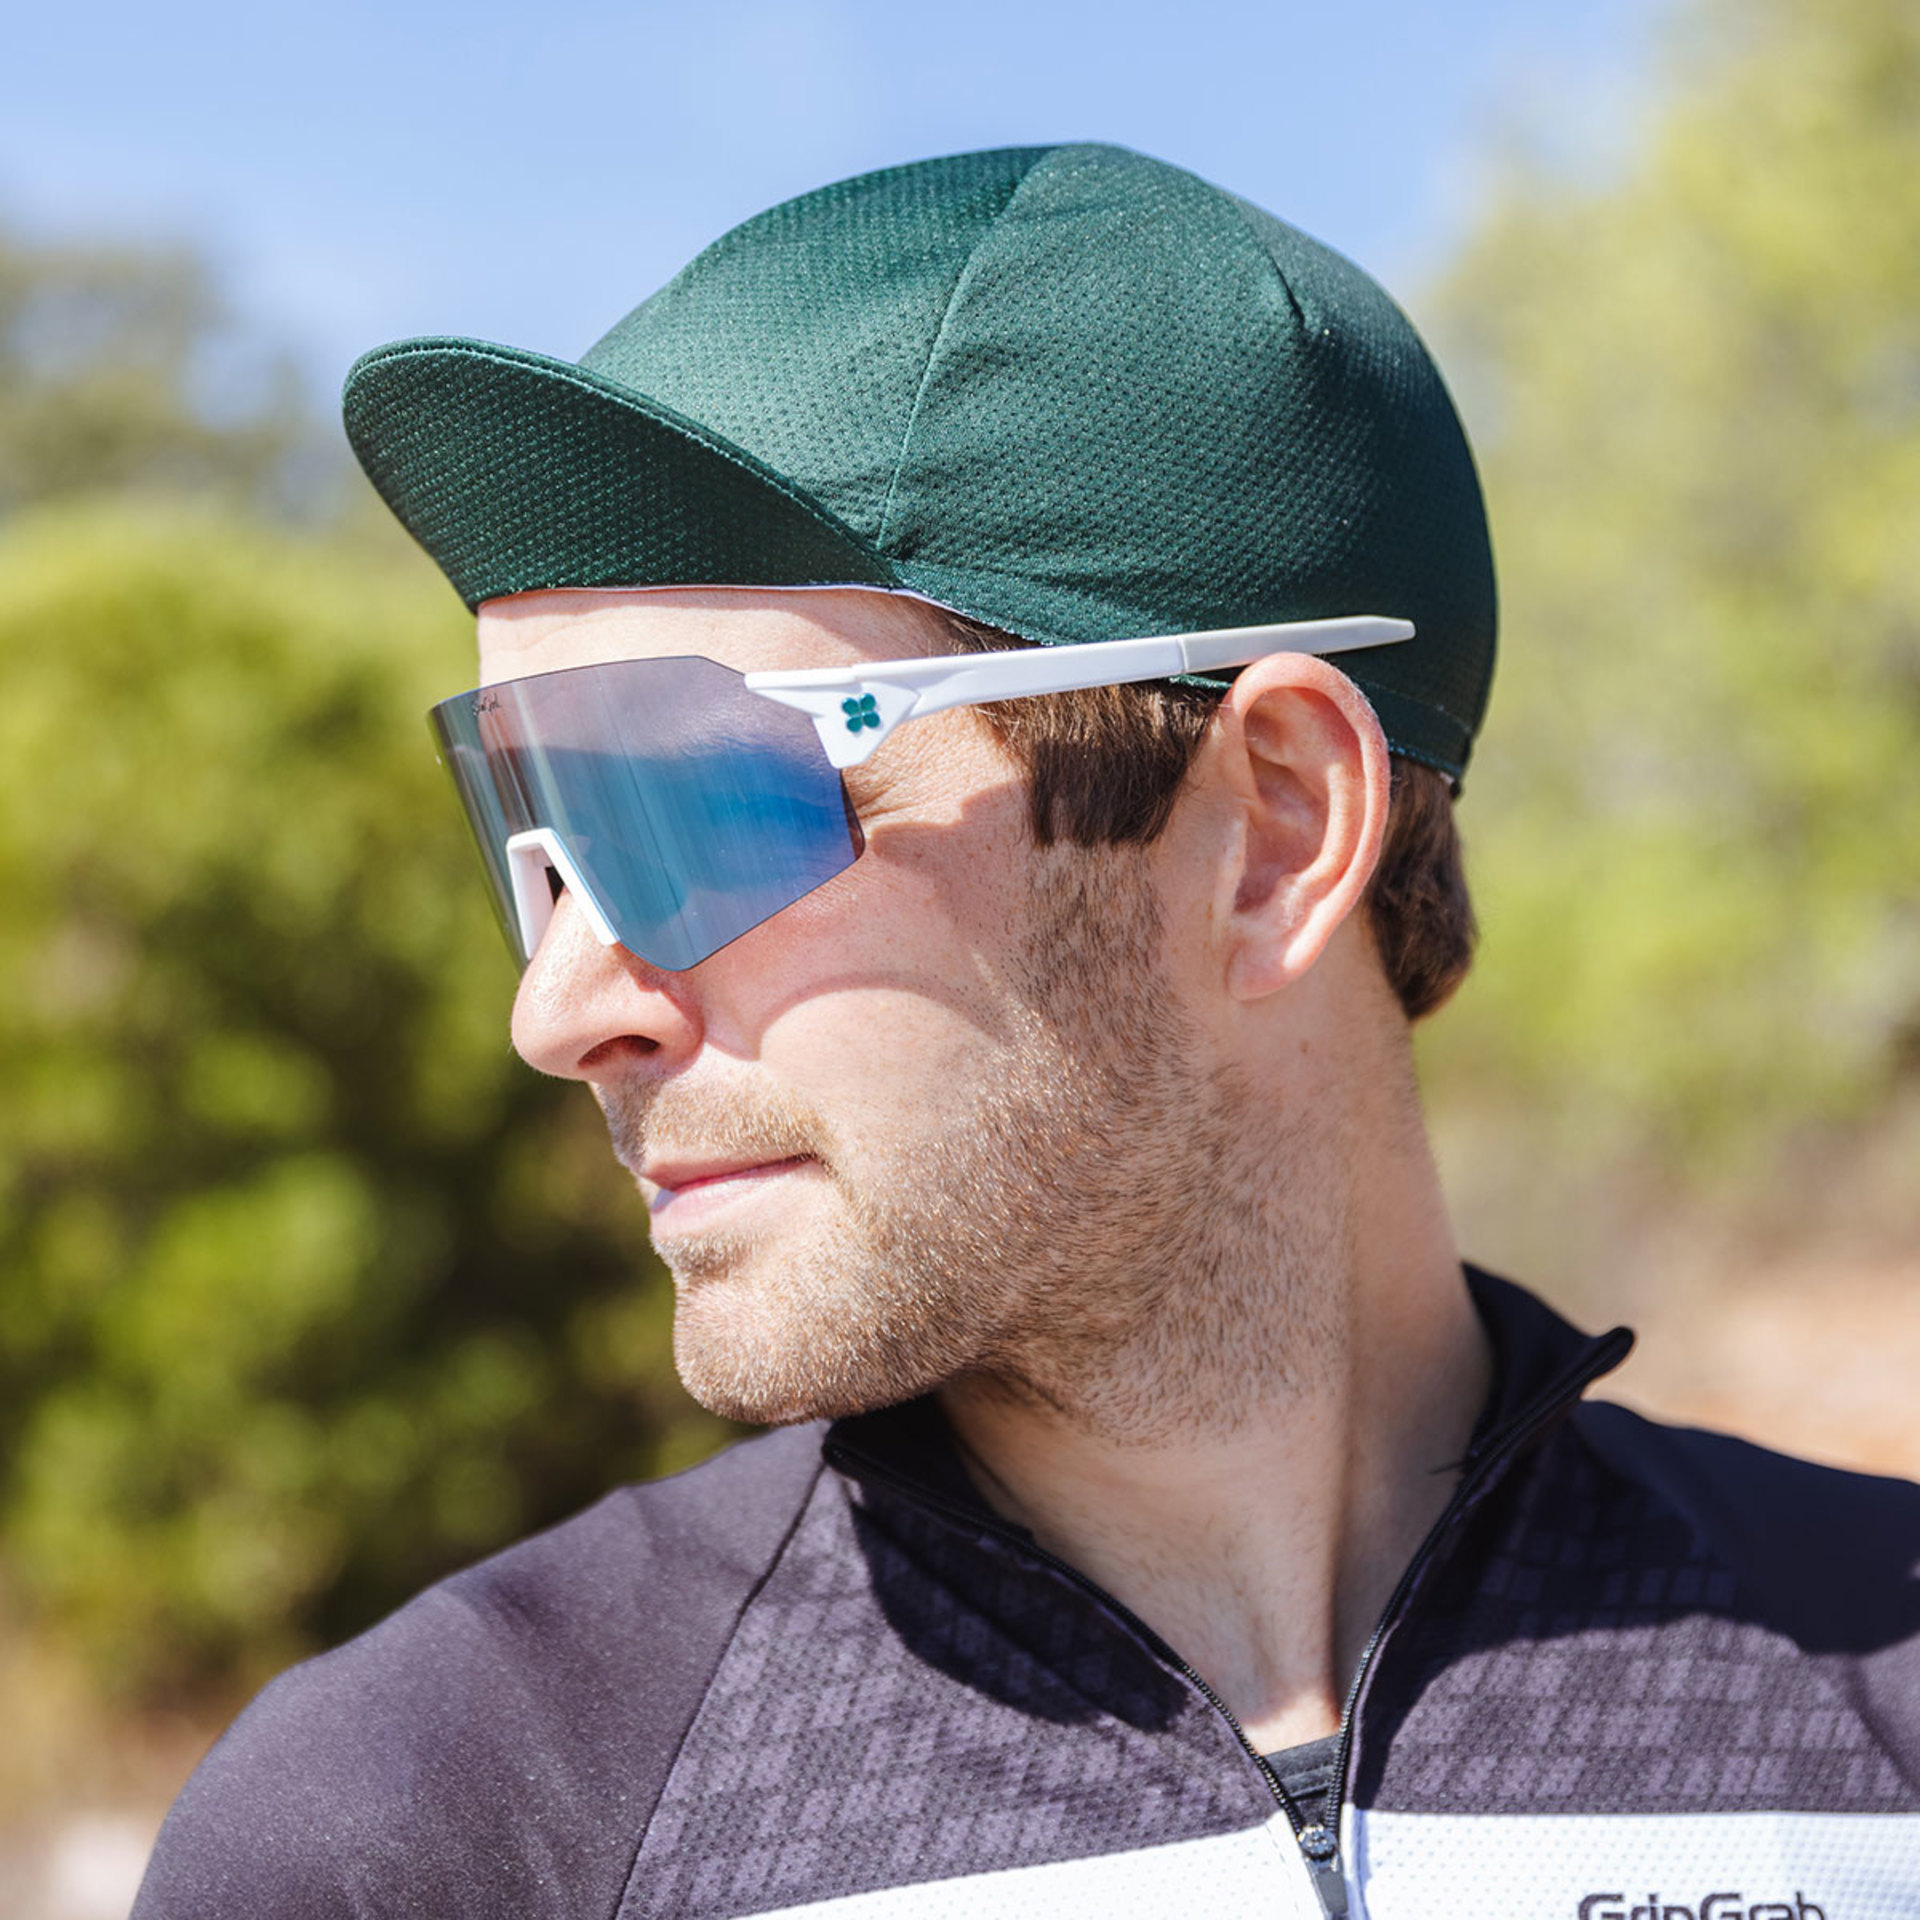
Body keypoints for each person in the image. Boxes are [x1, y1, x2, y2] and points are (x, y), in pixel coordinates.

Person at [135, 144, 1920, 1920]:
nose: (559, 1010)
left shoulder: (1884, 1706)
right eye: (536, 838)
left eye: (698, 808)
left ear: (1276, 834)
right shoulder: (432, 1829)